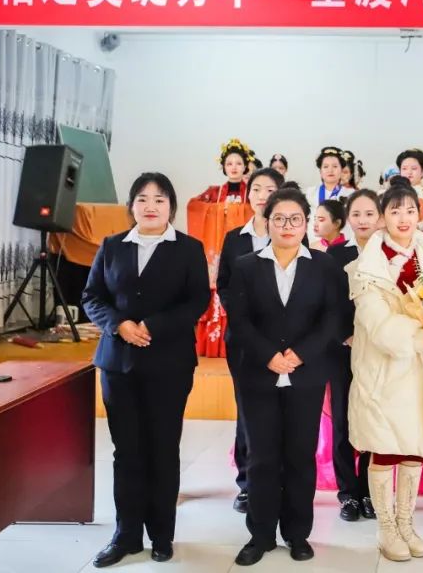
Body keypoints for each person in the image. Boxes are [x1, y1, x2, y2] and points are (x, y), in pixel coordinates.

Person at [83, 173, 210, 567]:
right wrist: (118, 324)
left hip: (169, 363)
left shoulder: (188, 248)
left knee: (162, 449)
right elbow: (92, 296)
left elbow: (198, 301)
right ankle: (125, 536)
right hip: (118, 364)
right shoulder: (112, 246)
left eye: (159, 198)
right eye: (142, 198)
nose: (150, 206)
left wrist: (152, 326)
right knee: (126, 451)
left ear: (171, 206)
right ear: (131, 205)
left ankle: (161, 536)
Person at [225, 188, 343, 566]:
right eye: (279, 218)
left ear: (306, 223)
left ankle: (297, 534)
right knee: (261, 457)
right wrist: (269, 356)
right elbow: (239, 320)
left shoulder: (324, 266)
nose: (287, 225)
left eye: (295, 219)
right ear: (267, 222)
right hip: (258, 374)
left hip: (306, 374)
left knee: (299, 456)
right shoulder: (246, 266)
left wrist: (300, 354)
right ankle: (260, 535)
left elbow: (333, 318)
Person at [346, 179, 423, 561]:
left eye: (411, 210)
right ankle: (386, 528)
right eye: (395, 211)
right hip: (384, 369)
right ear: (383, 218)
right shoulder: (366, 266)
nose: (404, 218)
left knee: (415, 448)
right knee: (384, 448)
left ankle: (406, 524)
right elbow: (376, 323)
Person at [215, 167, 284, 514]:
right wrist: (245, 317)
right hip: (243, 338)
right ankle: (246, 483)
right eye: (256, 188)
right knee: (246, 410)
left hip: (281, 340)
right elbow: (224, 285)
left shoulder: (289, 235)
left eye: (270, 189)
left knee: (279, 411)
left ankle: (277, 479)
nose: (262, 195)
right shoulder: (234, 238)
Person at [327, 189, 383, 523]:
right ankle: (348, 492)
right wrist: (344, 336)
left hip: (379, 350)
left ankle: (369, 491)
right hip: (343, 350)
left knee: (374, 419)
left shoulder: (388, 253)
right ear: (348, 218)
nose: (363, 220)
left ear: (380, 217)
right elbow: (327, 302)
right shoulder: (335, 255)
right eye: (356, 214)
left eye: (369, 214)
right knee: (343, 421)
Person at [195, 139, 253, 203]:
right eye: (229, 164)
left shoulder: (252, 192)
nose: (234, 167)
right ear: (224, 167)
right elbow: (193, 204)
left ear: (244, 167)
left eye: (239, 163)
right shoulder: (213, 192)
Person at [310, 146, 354, 210]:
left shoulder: (351, 194)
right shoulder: (310, 193)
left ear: (341, 170)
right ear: (320, 172)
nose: (330, 170)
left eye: (335, 166)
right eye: (326, 166)